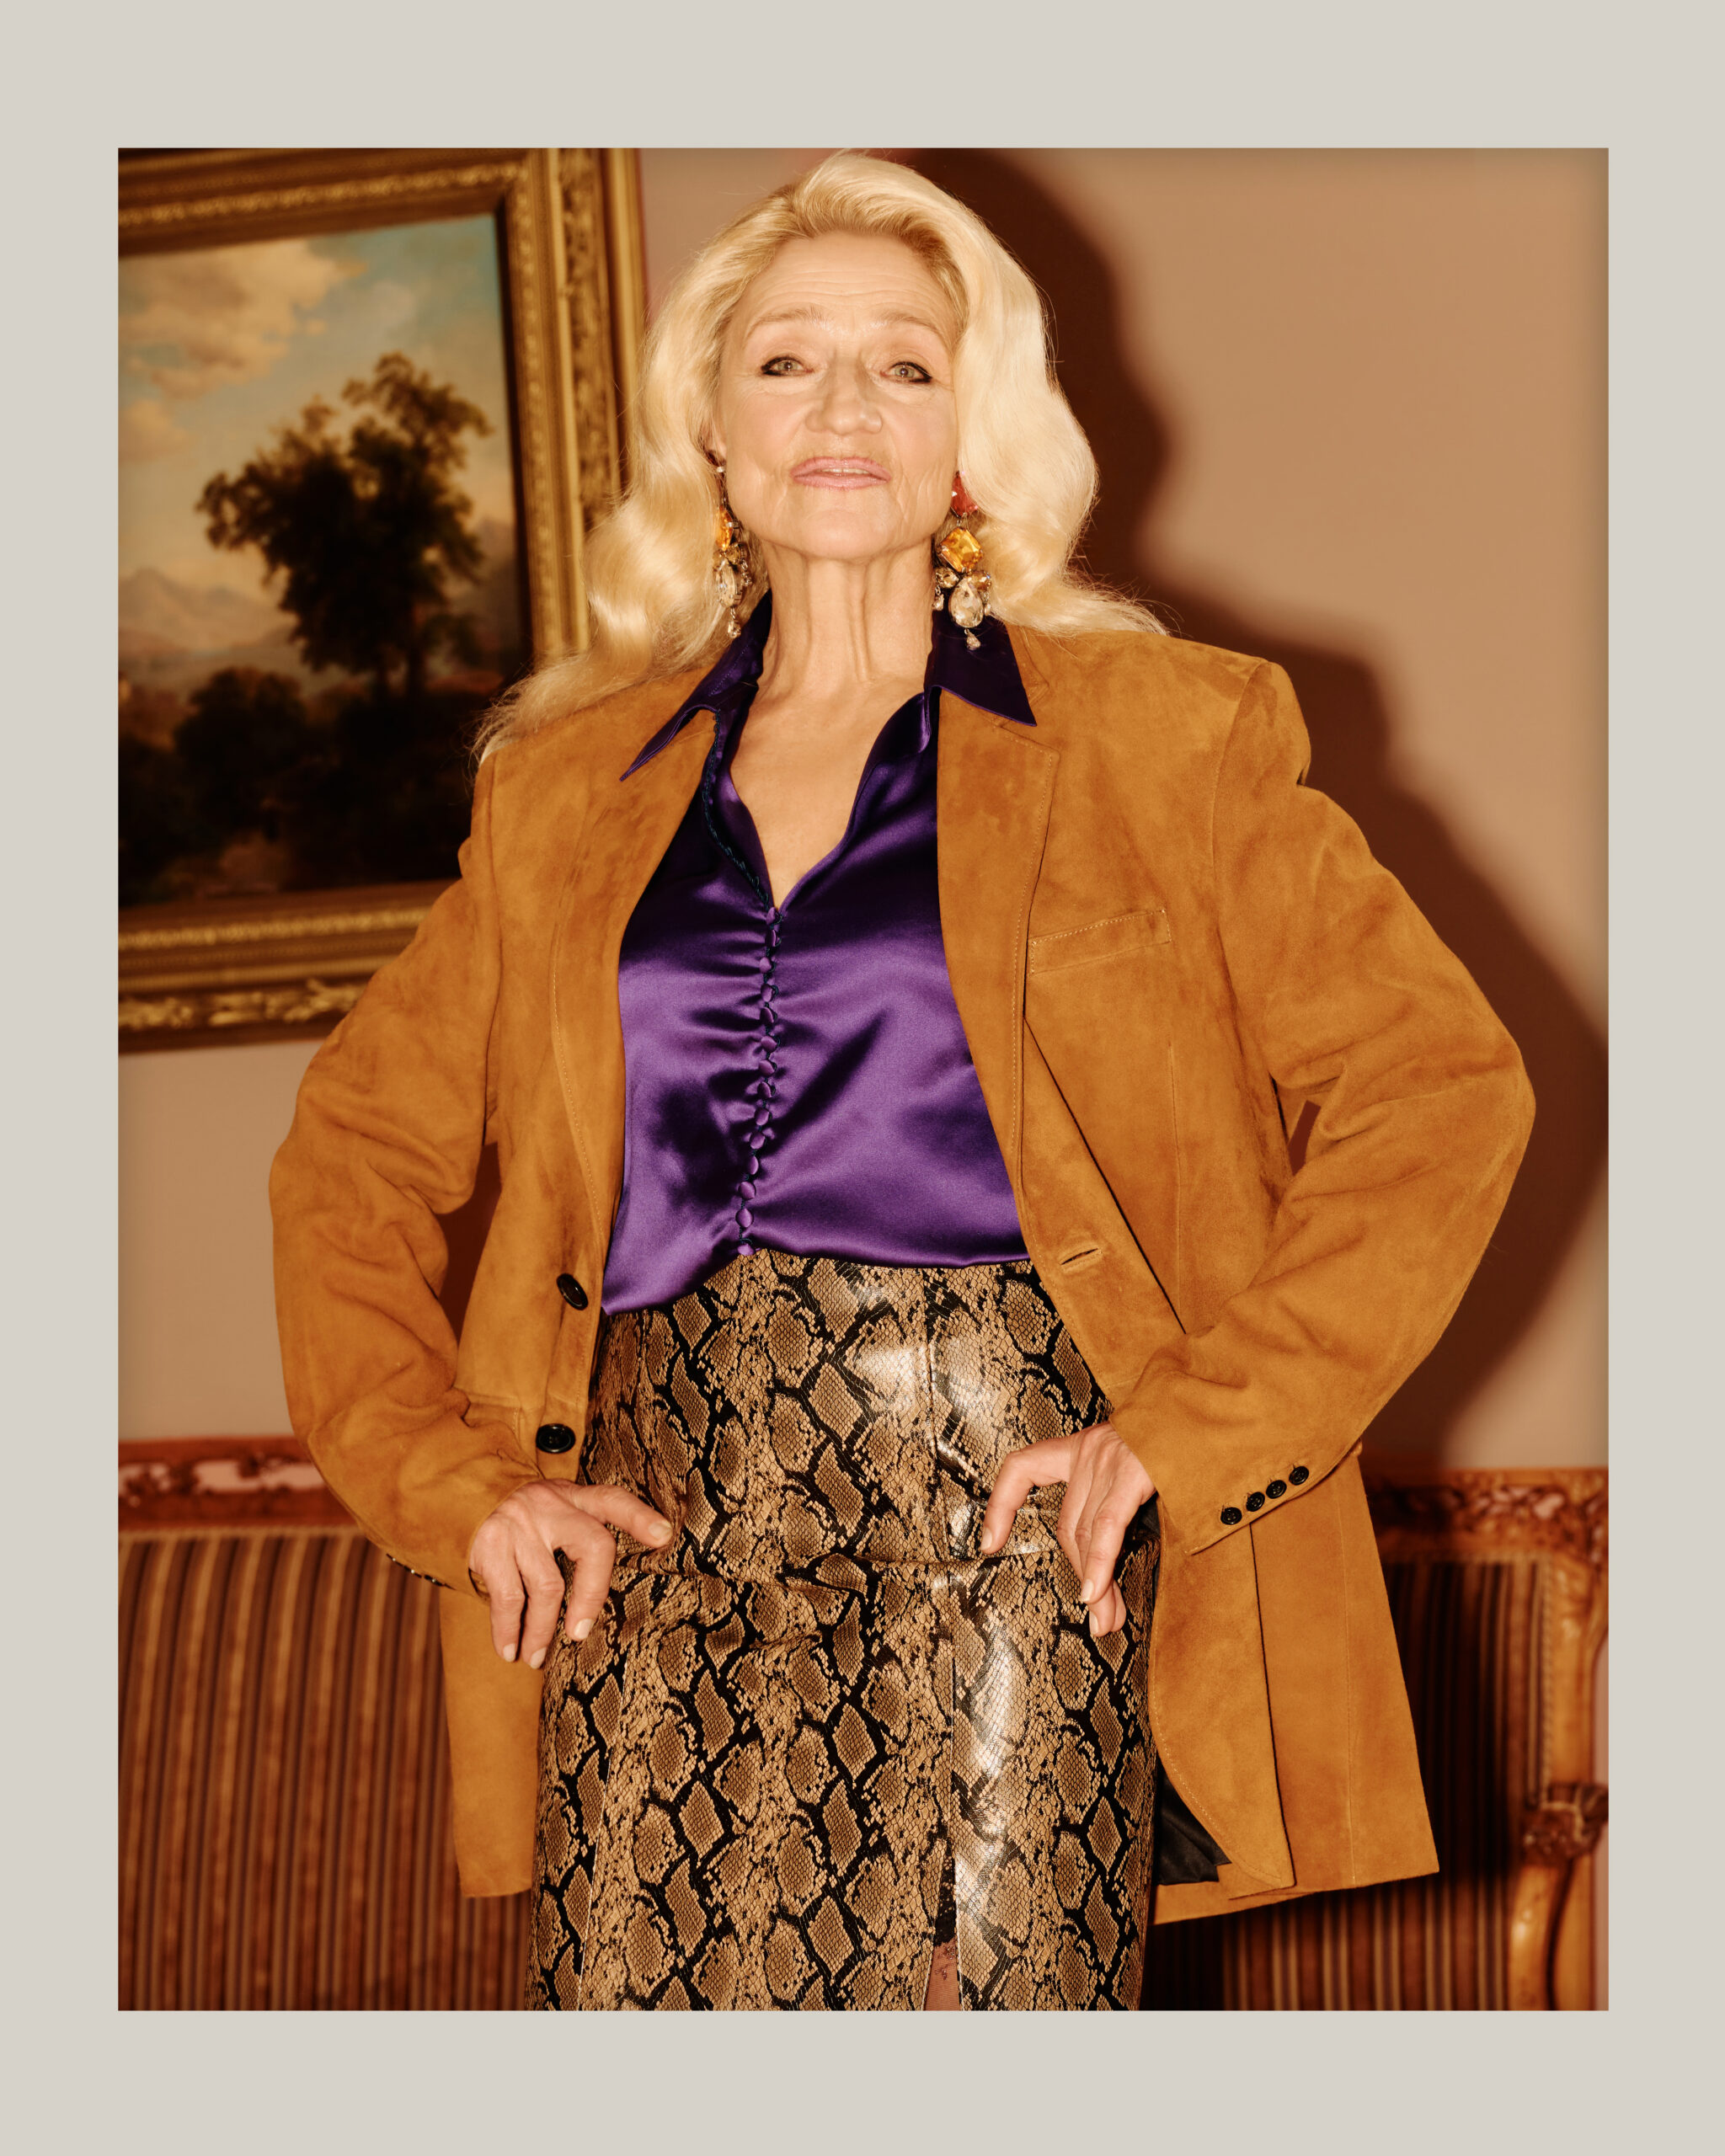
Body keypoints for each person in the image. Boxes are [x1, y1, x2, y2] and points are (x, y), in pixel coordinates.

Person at [270, 153, 1533, 2012]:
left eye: (905, 363)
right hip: (657, 1561)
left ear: (970, 431)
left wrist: (1186, 1434)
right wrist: (452, 1483)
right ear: (713, 429)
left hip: (1016, 1547)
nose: (843, 406)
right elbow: (349, 1162)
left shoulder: (1170, 741)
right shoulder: (562, 796)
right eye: (787, 360)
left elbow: (1441, 1086)